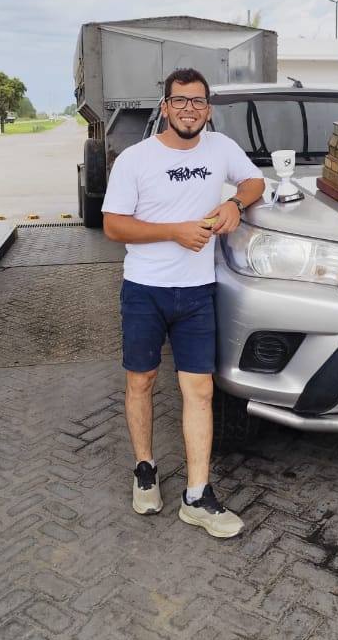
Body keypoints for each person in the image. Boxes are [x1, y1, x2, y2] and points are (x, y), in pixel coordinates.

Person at [102, 68, 265, 538]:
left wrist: (236, 203)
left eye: (197, 102)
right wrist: (173, 231)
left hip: (197, 293)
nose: (189, 109)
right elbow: (113, 225)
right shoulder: (136, 159)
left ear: (207, 109)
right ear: (165, 107)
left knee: (200, 392)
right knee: (142, 381)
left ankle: (197, 495)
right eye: (180, 101)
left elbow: (253, 182)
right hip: (145, 290)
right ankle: (145, 468)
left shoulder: (221, 147)